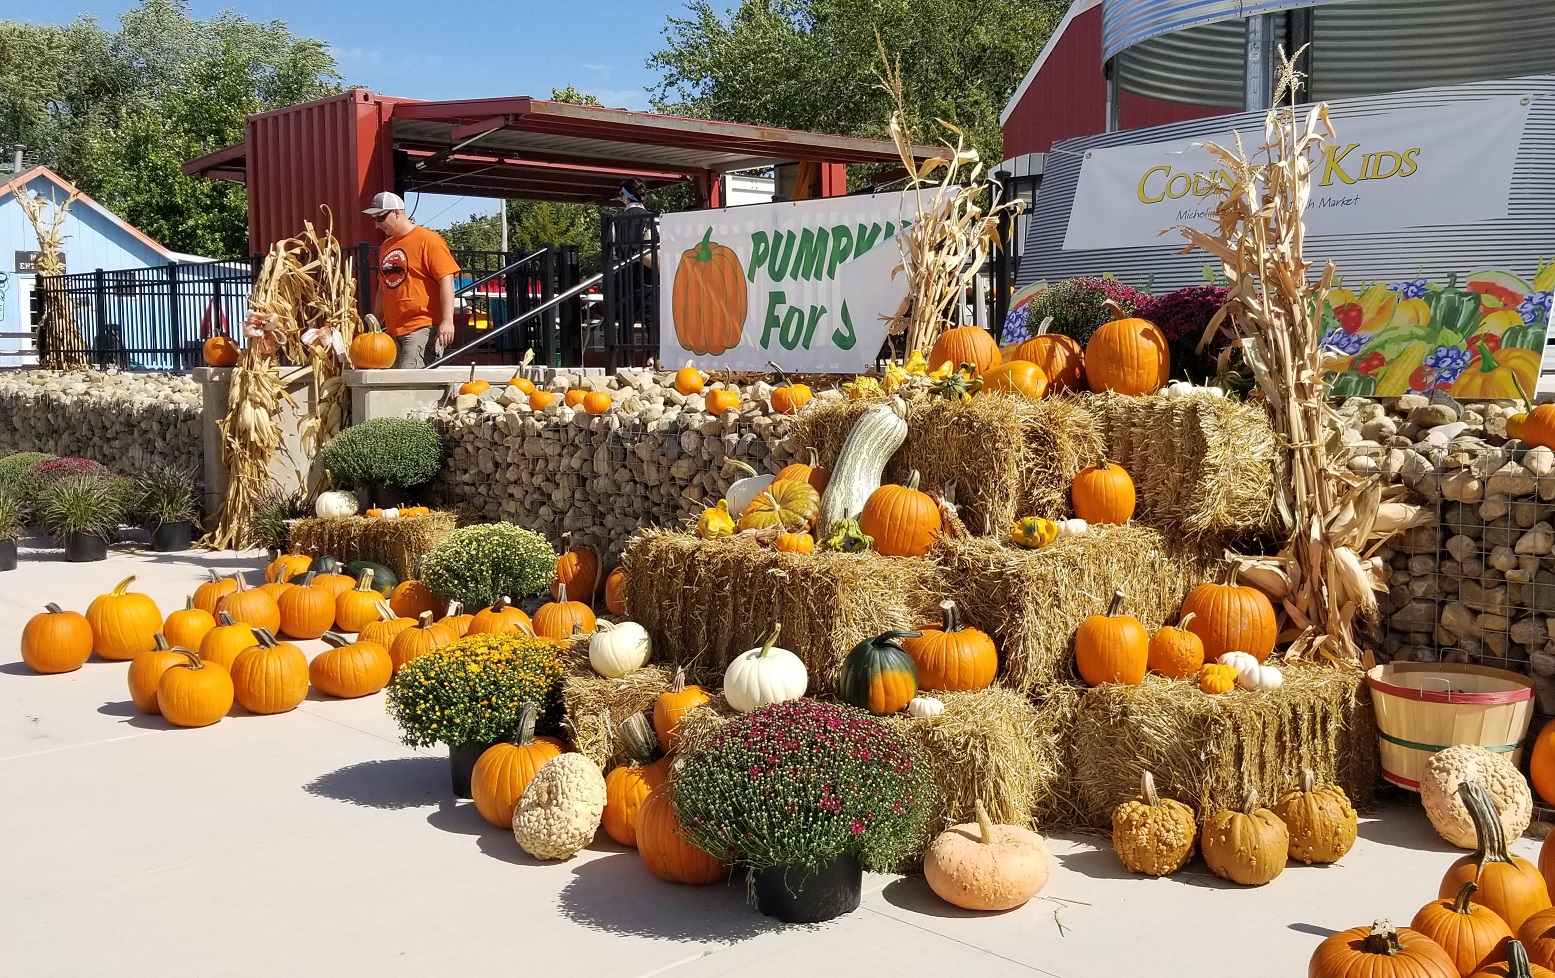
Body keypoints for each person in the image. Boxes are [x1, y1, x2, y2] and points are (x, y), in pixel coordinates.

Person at [364, 191, 460, 368]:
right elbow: (382, 289)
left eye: (380, 218)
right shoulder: (386, 246)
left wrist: (447, 321)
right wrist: (375, 324)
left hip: (422, 327)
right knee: (392, 381)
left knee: (408, 379)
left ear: (396, 213)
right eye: (374, 219)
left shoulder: (429, 240)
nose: (377, 225)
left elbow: (446, 279)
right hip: (393, 330)